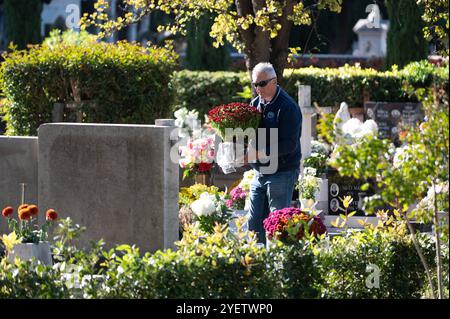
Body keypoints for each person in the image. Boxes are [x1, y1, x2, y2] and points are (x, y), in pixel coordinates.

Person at [244, 62, 302, 244]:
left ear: (274, 81)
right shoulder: (255, 104)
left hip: (281, 172)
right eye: (255, 84)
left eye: (262, 84)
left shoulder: (288, 107)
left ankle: (276, 266)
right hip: (259, 172)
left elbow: (289, 145)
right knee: (253, 223)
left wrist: (259, 154)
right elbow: (250, 136)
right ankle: (256, 265)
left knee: (276, 224)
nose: (257, 88)